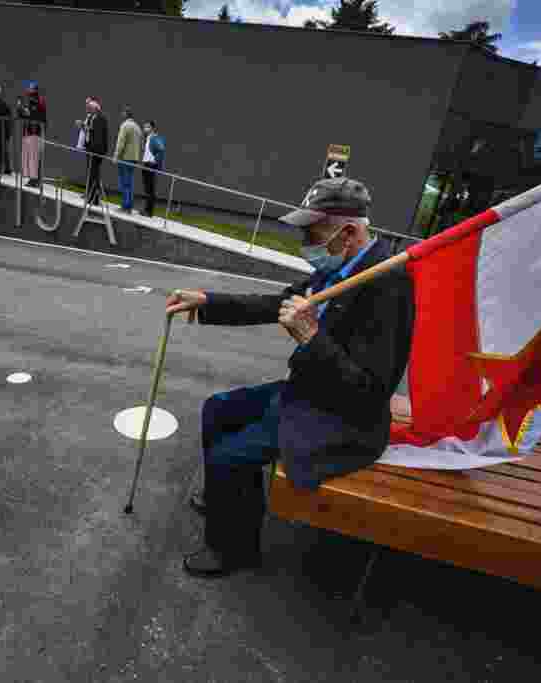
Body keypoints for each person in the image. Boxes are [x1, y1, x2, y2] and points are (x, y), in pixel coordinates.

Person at [164, 177, 415, 578]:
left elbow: (370, 392)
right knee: (217, 411)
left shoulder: (388, 285)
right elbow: (276, 302)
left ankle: (234, 550)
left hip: (342, 418)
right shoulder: (343, 266)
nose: (305, 244)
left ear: (348, 233)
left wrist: (312, 338)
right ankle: (224, 501)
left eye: (312, 233)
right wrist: (208, 301)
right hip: (308, 391)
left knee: (231, 456)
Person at [16, 80, 47, 187]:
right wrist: (20, 109)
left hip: (36, 132)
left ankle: (35, 180)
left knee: (34, 157)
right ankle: (32, 179)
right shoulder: (31, 101)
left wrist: (27, 112)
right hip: (29, 131)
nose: (28, 91)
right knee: (30, 157)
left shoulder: (40, 101)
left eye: (30, 89)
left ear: (35, 90)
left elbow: (38, 115)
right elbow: (25, 115)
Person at [113, 106, 143, 214]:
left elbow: (121, 143)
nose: (121, 114)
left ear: (126, 114)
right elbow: (141, 144)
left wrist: (116, 156)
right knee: (130, 183)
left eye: (123, 113)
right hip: (134, 158)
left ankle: (125, 206)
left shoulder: (125, 125)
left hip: (124, 158)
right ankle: (129, 206)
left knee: (124, 183)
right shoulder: (137, 127)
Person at [140, 120, 166, 217]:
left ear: (153, 128)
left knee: (150, 189)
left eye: (148, 127)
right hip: (145, 164)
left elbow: (161, 150)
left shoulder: (155, 138)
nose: (145, 129)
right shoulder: (148, 138)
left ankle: (149, 212)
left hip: (150, 165)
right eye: (145, 127)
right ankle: (146, 209)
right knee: (147, 189)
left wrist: (155, 161)